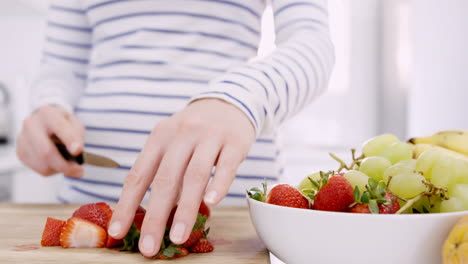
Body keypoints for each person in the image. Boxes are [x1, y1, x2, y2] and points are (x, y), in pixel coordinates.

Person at [16, 0, 334, 257]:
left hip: (235, 220)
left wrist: (236, 97)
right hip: (89, 209)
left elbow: (314, 42)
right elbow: (62, 67)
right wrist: (49, 106)